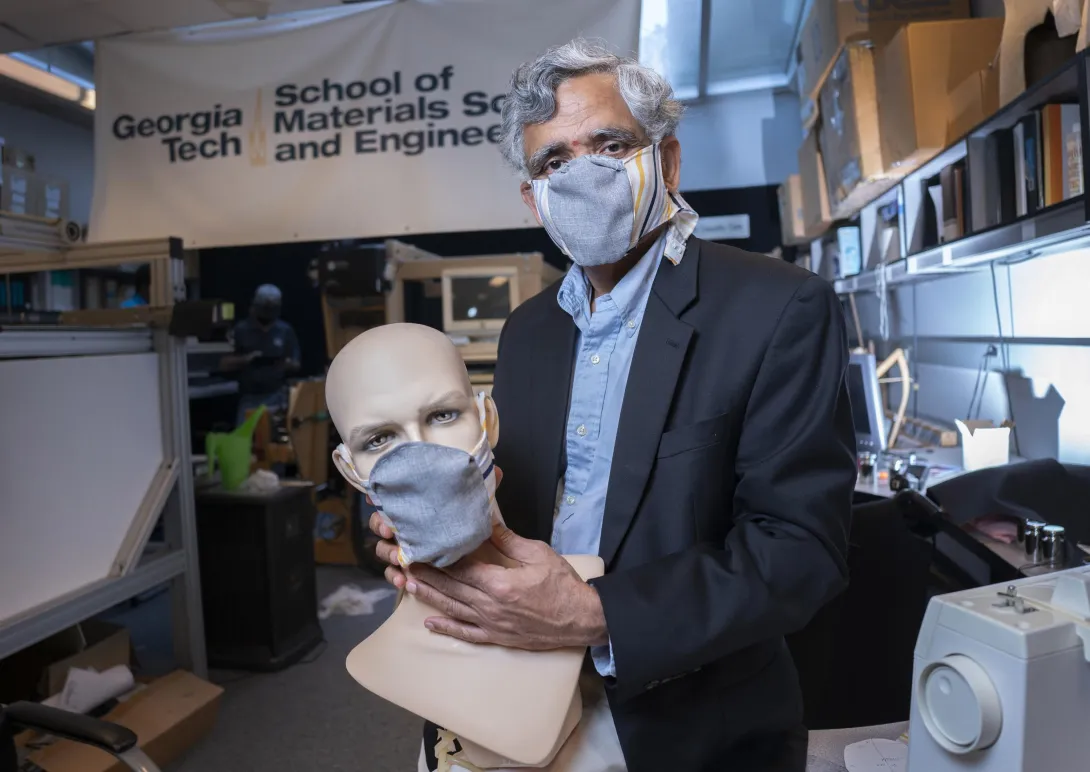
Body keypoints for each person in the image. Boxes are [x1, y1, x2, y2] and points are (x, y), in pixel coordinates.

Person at [372, 40, 857, 772]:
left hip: (686, 727)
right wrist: (434, 531)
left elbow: (799, 552)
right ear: (534, 200)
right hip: (515, 702)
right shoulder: (529, 332)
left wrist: (593, 615)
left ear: (665, 163)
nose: (582, 172)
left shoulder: (777, 307)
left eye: (609, 144)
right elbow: (522, 506)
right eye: (553, 161)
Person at [221, 284, 300, 425]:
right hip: (249, 398)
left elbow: (296, 363)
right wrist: (246, 359)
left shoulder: (285, 330)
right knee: (244, 442)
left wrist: (284, 363)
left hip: (276, 397)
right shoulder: (241, 329)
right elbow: (224, 363)